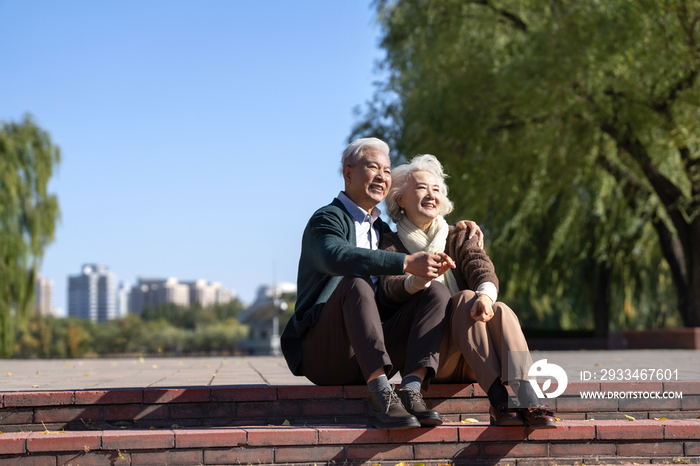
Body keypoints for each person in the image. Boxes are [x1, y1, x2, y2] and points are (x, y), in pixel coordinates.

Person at [280, 138, 482, 430]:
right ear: (348, 173)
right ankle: (381, 396)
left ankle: (411, 390)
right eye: (373, 167)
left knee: (434, 290)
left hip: (375, 348)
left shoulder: (383, 231)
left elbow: (424, 225)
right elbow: (334, 256)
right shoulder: (326, 219)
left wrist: (461, 228)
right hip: (328, 353)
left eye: (387, 171)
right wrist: (404, 263)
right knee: (356, 284)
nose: (382, 177)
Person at [378, 154, 557, 429]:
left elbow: (482, 269)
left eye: (436, 189)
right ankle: (499, 400)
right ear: (400, 199)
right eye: (422, 187)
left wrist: (485, 297)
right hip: (432, 359)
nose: (431, 194)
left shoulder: (458, 236)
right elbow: (389, 288)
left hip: (479, 358)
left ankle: (527, 394)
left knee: (499, 308)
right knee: (463, 298)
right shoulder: (389, 244)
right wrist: (420, 277)